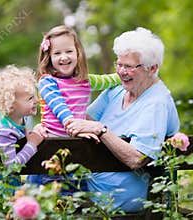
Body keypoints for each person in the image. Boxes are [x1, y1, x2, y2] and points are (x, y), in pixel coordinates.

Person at [65, 27, 180, 212]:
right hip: (88, 187)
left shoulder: (156, 103)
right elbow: (83, 119)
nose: (121, 72)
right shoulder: (117, 90)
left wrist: (101, 130)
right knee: (42, 181)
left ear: (152, 68)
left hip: (117, 199)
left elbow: (137, 158)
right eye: (119, 64)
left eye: (129, 67)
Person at [27, 25, 121, 192]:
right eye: (57, 53)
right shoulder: (47, 82)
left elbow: (110, 80)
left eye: (69, 51)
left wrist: (126, 74)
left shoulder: (85, 80)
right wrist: (75, 127)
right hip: (51, 152)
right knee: (51, 201)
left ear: (78, 53)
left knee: (76, 200)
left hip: (77, 152)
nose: (64, 57)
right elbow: (60, 109)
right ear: (48, 57)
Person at [0, 65, 44, 167]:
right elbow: (11, 167)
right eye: (30, 98)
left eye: (36, 96)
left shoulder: (20, 116)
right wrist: (32, 144)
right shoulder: (5, 130)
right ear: (10, 105)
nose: (37, 101)